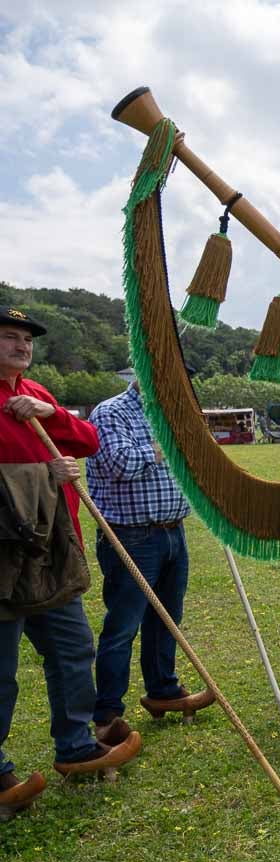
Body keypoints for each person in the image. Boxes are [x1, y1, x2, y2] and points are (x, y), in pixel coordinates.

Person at [2, 308, 142, 820]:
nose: (21, 346)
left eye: (26, 339)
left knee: (72, 648)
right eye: (9, 338)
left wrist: (48, 419)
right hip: (3, 560)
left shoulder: (37, 394)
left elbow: (86, 441)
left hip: (52, 554)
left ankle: (76, 745)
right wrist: (43, 473)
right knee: (1, 670)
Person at [86, 382, 211, 735]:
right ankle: (108, 713)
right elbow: (120, 463)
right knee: (123, 626)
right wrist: (167, 445)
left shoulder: (172, 411)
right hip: (130, 535)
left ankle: (163, 689)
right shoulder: (112, 412)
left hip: (174, 531)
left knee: (167, 619)